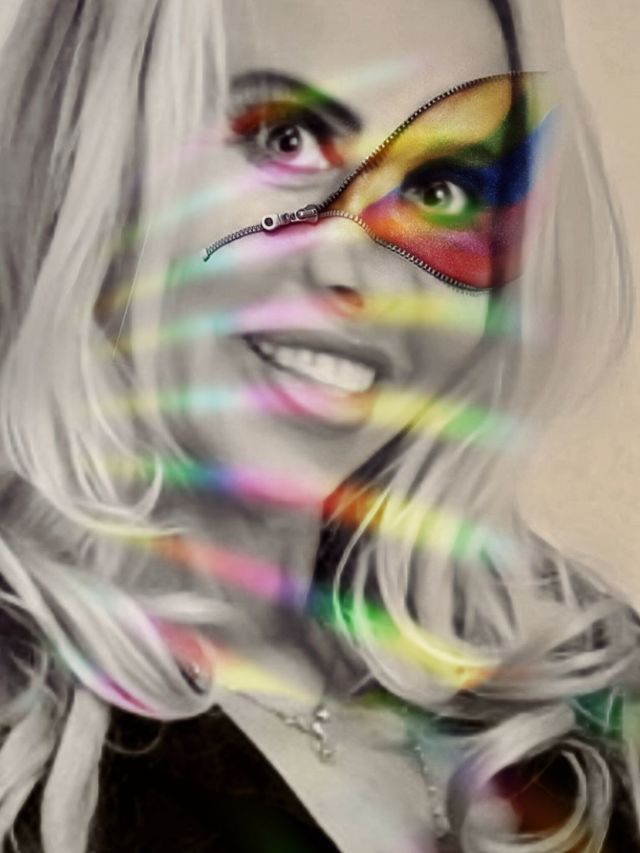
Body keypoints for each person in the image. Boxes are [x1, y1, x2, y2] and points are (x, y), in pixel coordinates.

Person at [0, 0, 636, 850]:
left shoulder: (579, 679)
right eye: (285, 138)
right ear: (88, 155)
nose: (354, 264)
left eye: (440, 188)